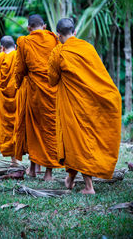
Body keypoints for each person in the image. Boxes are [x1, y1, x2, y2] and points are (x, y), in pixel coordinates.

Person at [48, 18, 121, 194]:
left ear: (58, 35)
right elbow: (98, 74)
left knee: (78, 141)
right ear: (74, 32)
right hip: (91, 103)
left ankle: (89, 187)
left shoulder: (58, 53)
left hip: (74, 105)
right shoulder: (87, 48)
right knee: (76, 141)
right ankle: (70, 179)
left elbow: (52, 80)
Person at [14, 14, 62, 180]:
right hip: (54, 91)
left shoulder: (24, 42)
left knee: (33, 130)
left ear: (29, 28)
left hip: (34, 91)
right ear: (44, 26)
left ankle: (34, 169)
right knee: (50, 130)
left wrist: (17, 84)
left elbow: (20, 68)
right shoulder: (54, 39)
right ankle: (48, 173)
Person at [0, 36, 18, 166]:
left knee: (6, 127)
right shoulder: (20, 57)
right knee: (18, 124)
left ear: (2, 48)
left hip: (3, 99)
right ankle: (32, 163)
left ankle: (14, 160)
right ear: (15, 47)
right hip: (18, 97)